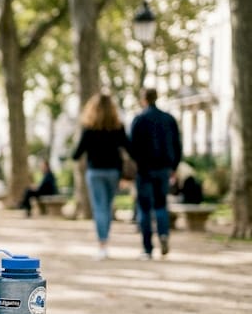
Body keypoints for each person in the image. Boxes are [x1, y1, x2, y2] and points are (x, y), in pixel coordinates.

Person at [71, 93, 129, 260]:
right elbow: (128, 147)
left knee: (99, 207)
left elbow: (77, 153)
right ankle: (105, 241)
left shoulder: (89, 128)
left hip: (95, 171)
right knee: (107, 206)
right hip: (113, 172)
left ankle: (102, 244)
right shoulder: (118, 127)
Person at [127, 87, 182, 259]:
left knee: (144, 208)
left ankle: (147, 248)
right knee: (160, 204)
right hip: (164, 168)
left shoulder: (139, 119)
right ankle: (164, 234)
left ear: (143, 99)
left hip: (144, 170)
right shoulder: (169, 119)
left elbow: (131, 147)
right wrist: (174, 166)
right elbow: (177, 144)